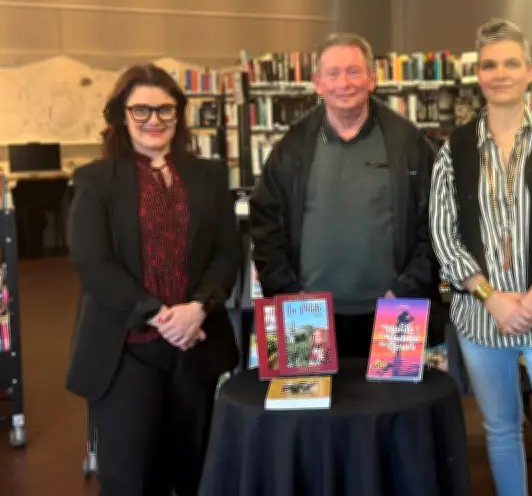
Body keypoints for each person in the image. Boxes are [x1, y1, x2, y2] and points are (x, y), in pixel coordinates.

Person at [429, 18, 532, 496]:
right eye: (489, 65)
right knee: (501, 431)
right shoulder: (455, 148)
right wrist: (492, 298)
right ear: (477, 75)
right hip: (481, 317)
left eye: (510, 63)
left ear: (530, 72)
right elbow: (443, 234)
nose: (499, 74)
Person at [66, 64, 241, 496]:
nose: (154, 120)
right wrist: (160, 315)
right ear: (121, 115)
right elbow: (93, 263)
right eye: (141, 109)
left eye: (165, 109)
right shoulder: (95, 181)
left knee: (194, 470)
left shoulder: (209, 176)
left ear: (178, 114)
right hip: (125, 348)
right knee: (131, 476)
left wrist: (198, 308)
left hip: (195, 344)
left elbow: (227, 252)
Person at [248, 32, 441, 357]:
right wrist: (287, 290)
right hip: (302, 313)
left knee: (392, 391)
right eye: (333, 73)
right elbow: (264, 222)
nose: (344, 83)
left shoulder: (409, 143)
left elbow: (437, 222)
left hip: (398, 310)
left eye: (354, 71)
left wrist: (408, 288)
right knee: (306, 390)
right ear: (317, 83)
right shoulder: (291, 146)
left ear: (372, 79)